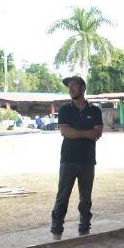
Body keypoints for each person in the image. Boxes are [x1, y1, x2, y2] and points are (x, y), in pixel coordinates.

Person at [50, 76, 103, 238]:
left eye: (74, 86)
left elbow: (97, 133)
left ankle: (84, 228)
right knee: (62, 196)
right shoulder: (65, 109)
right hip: (68, 159)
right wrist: (87, 133)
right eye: (69, 87)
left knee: (86, 198)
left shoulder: (95, 110)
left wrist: (77, 133)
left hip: (88, 160)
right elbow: (65, 132)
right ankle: (57, 229)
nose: (71, 89)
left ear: (83, 88)